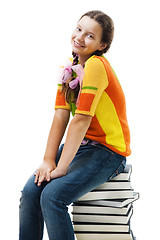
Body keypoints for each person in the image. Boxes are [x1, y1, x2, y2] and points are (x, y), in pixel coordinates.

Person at [19, 10, 131, 240]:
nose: (80, 37)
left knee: (52, 196)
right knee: (31, 192)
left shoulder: (97, 65)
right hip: (83, 146)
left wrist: (61, 168)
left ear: (102, 44)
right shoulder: (71, 70)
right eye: (79, 29)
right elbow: (60, 116)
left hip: (108, 151)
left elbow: (81, 119)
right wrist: (49, 160)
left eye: (90, 36)